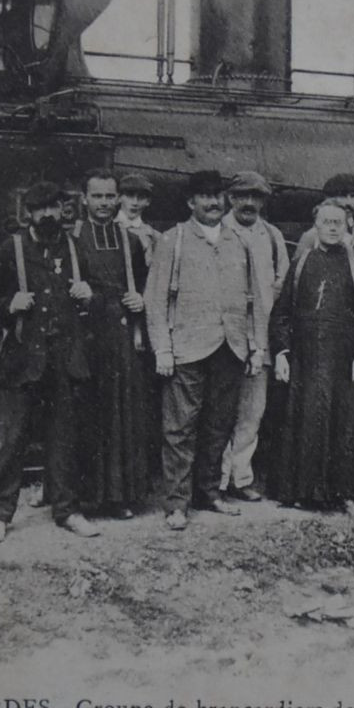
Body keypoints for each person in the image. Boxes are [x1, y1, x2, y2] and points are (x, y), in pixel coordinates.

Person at [143, 170, 270, 531]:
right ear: (190, 202)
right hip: (187, 348)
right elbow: (155, 300)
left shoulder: (238, 241)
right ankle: (177, 503)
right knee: (180, 427)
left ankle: (209, 492)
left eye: (218, 196)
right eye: (205, 196)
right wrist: (162, 350)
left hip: (230, 347)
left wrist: (255, 345)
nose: (213, 203)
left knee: (218, 425)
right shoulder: (174, 240)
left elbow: (253, 301)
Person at [0, 181, 99, 542]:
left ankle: (68, 511)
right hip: (21, 362)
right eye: (40, 209)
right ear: (28, 213)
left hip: (63, 361)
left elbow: (96, 296)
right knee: (12, 440)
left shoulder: (75, 249)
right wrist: (8, 305)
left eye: (54, 208)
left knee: (64, 440)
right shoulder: (10, 249)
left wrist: (88, 295)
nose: (48, 214)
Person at [270, 202, 354, 523]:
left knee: (347, 428)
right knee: (308, 422)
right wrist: (281, 353)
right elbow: (281, 315)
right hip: (307, 361)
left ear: (348, 225)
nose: (333, 228)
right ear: (316, 226)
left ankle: (349, 496)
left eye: (339, 222)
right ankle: (305, 492)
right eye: (326, 222)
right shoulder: (302, 263)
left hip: (346, 362)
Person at [69, 169, 158, 518]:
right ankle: (86, 499)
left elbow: (144, 285)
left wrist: (140, 301)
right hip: (87, 336)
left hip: (120, 336)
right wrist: (76, 292)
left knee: (122, 415)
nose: (104, 203)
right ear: (84, 199)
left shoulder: (130, 240)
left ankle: (120, 498)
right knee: (87, 416)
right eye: (97, 196)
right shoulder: (72, 237)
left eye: (110, 196)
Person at [219, 171, 290, 501]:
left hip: (260, 341)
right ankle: (214, 481)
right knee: (218, 413)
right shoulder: (217, 232)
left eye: (256, 197)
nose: (248, 203)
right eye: (241, 196)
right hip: (223, 341)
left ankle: (240, 478)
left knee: (252, 412)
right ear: (230, 199)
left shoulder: (273, 238)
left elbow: (284, 291)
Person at [294, 173, 354, 274]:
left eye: (353, 196)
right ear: (330, 199)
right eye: (343, 196)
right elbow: (296, 273)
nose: (349, 202)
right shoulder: (313, 236)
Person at [115, 173, 160, 256]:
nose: (135, 203)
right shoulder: (107, 227)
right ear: (119, 198)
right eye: (130, 196)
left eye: (141, 197)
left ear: (148, 201)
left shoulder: (155, 236)